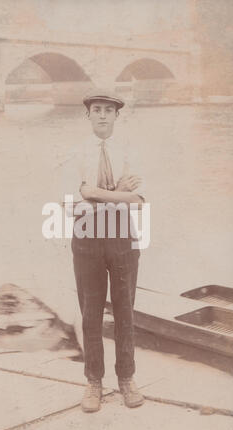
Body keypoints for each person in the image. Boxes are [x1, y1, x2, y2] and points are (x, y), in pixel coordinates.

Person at [63, 90, 145, 412]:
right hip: (86, 238)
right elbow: (70, 205)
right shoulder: (75, 153)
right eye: (96, 110)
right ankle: (93, 381)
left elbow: (139, 201)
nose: (101, 115)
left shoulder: (129, 152)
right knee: (91, 313)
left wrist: (92, 192)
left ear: (116, 116)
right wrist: (117, 194)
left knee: (125, 310)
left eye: (108, 111)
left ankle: (126, 378)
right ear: (88, 115)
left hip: (123, 237)